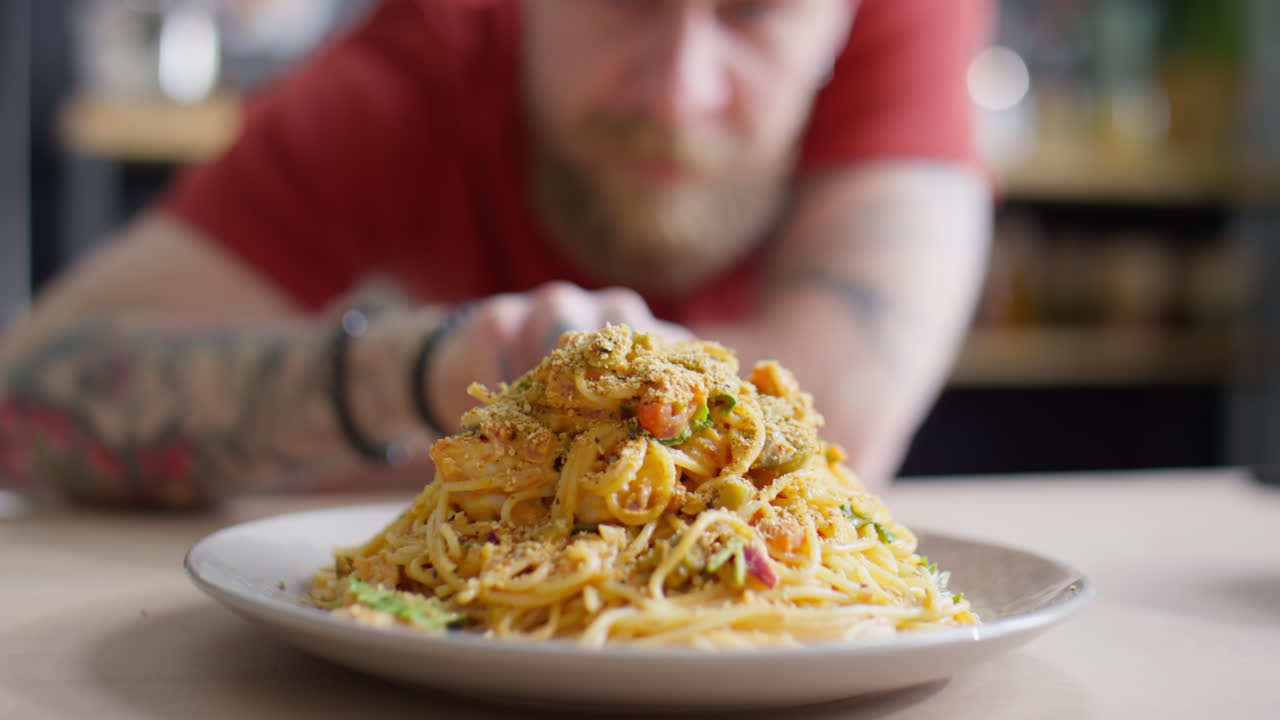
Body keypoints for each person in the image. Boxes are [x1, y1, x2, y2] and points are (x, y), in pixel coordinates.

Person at [0, 0, 993, 507]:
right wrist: (427, 368)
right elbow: (24, 400)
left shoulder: (898, 20)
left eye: (756, 11)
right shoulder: (421, 62)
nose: (677, 92)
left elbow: (844, 412)